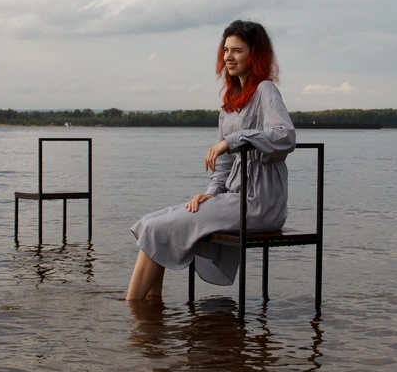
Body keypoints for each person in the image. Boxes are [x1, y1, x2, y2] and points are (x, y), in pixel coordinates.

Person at [126, 20, 296, 301]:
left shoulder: (266, 90)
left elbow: (285, 136)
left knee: (158, 228)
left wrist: (234, 140)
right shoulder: (229, 104)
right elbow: (224, 167)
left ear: (254, 55)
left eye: (237, 51)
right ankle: (150, 308)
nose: (229, 57)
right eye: (226, 50)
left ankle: (132, 309)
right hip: (234, 198)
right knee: (151, 222)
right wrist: (210, 194)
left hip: (260, 203)